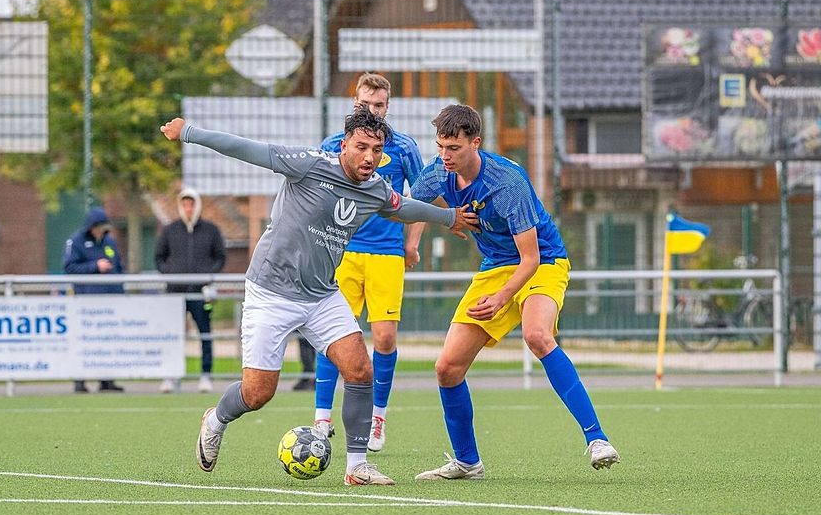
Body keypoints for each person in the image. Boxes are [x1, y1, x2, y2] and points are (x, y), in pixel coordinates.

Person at [160, 107, 479, 486]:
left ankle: (357, 466)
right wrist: (190, 132)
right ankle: (215, 419)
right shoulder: (309, 165)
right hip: (271, 292)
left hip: (322, 295)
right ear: (344, 145)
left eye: (376, 150)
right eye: (361, 147)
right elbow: (249, 149)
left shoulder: (374, 187)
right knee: (258, 392)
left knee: (360, 369)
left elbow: (403, 208)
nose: (369, 158)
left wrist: (449, 218)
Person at [410, 105, 620, 481]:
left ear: (476, 143)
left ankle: (597, 439)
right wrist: (444, 220)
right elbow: (409, 206)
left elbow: (530, 257)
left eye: (454, 147)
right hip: (495, 266)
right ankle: (467, 463)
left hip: (542, 263)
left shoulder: (507, 182)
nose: (445, 156)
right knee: (446, 368)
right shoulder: (439, 171)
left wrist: (503, 298)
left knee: (537, 335)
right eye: (441, 146)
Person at [311, 72, 424, 453]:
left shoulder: (404, 148)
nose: (371, 111)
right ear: (353, 103)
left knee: (385, 337)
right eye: (364, 104)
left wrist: (412, 243)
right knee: (335, 335)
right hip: (344, 253)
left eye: (378, 105)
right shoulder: (334, 144)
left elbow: (420, 199)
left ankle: (378, 417)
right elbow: (318, 195)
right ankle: (321, 418)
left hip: (387, 254)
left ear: (387, 108)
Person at [154, 188, 227, 394]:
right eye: (185, 204)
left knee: (205, 334)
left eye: (191, 204)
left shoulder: (211, 230)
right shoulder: (170, 230)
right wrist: (170, 273)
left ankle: (205, 375)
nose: (188, 208)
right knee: (172, 334)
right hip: (175, 292)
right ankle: (169, 375)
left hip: (200, 291)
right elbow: (159, 257)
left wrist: (207, 275)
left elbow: (220, 257)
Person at [63, 206, 126, 393]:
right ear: (91, 226)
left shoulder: (109, 242)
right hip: (86, 302)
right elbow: (70, 268)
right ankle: (80, 381)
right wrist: (94, 266)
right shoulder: (76, 242)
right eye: (99, 226)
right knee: (83, 341)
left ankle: (106, 380)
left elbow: (119, 268)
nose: (102, 230)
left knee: (108, 341)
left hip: (109, 300)